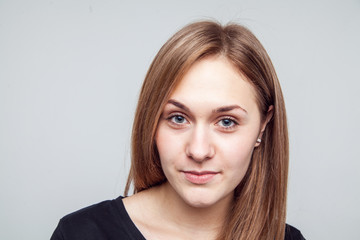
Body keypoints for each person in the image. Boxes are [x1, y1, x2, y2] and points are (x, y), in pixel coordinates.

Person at [51, 20, 305, 240]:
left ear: (263, 124)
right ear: (151, 121)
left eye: (227, 122)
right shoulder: (79, 233)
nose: (198, 150)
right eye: (178, 118)